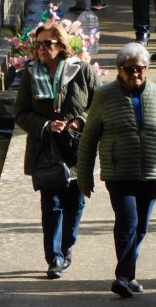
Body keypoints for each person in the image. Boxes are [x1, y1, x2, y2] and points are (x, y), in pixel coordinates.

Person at [77, 43, 156, 297]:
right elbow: (89, 138)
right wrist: (84, 177)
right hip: (119, 172)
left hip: (151, 172)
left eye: (140, 68)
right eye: (128, 69)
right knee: (128, 222)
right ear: (119, 70)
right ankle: (123, 277)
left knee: (141, 226)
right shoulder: (104, 96)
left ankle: (129, 273)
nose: (135, 73)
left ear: (147, 68)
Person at [14, 22, 101, 279]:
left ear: (61, 46)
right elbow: (21, 113)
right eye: (38, 44)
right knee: (51, 204)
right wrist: (46, 125)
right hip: (45, 149)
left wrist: (80, 120)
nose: (41, 48)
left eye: (47, 43)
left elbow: (99, 103)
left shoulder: (81, 71)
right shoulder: (31, 74)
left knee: (76, 203)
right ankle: (54, 257)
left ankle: (67, 246)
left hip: (77, 147)